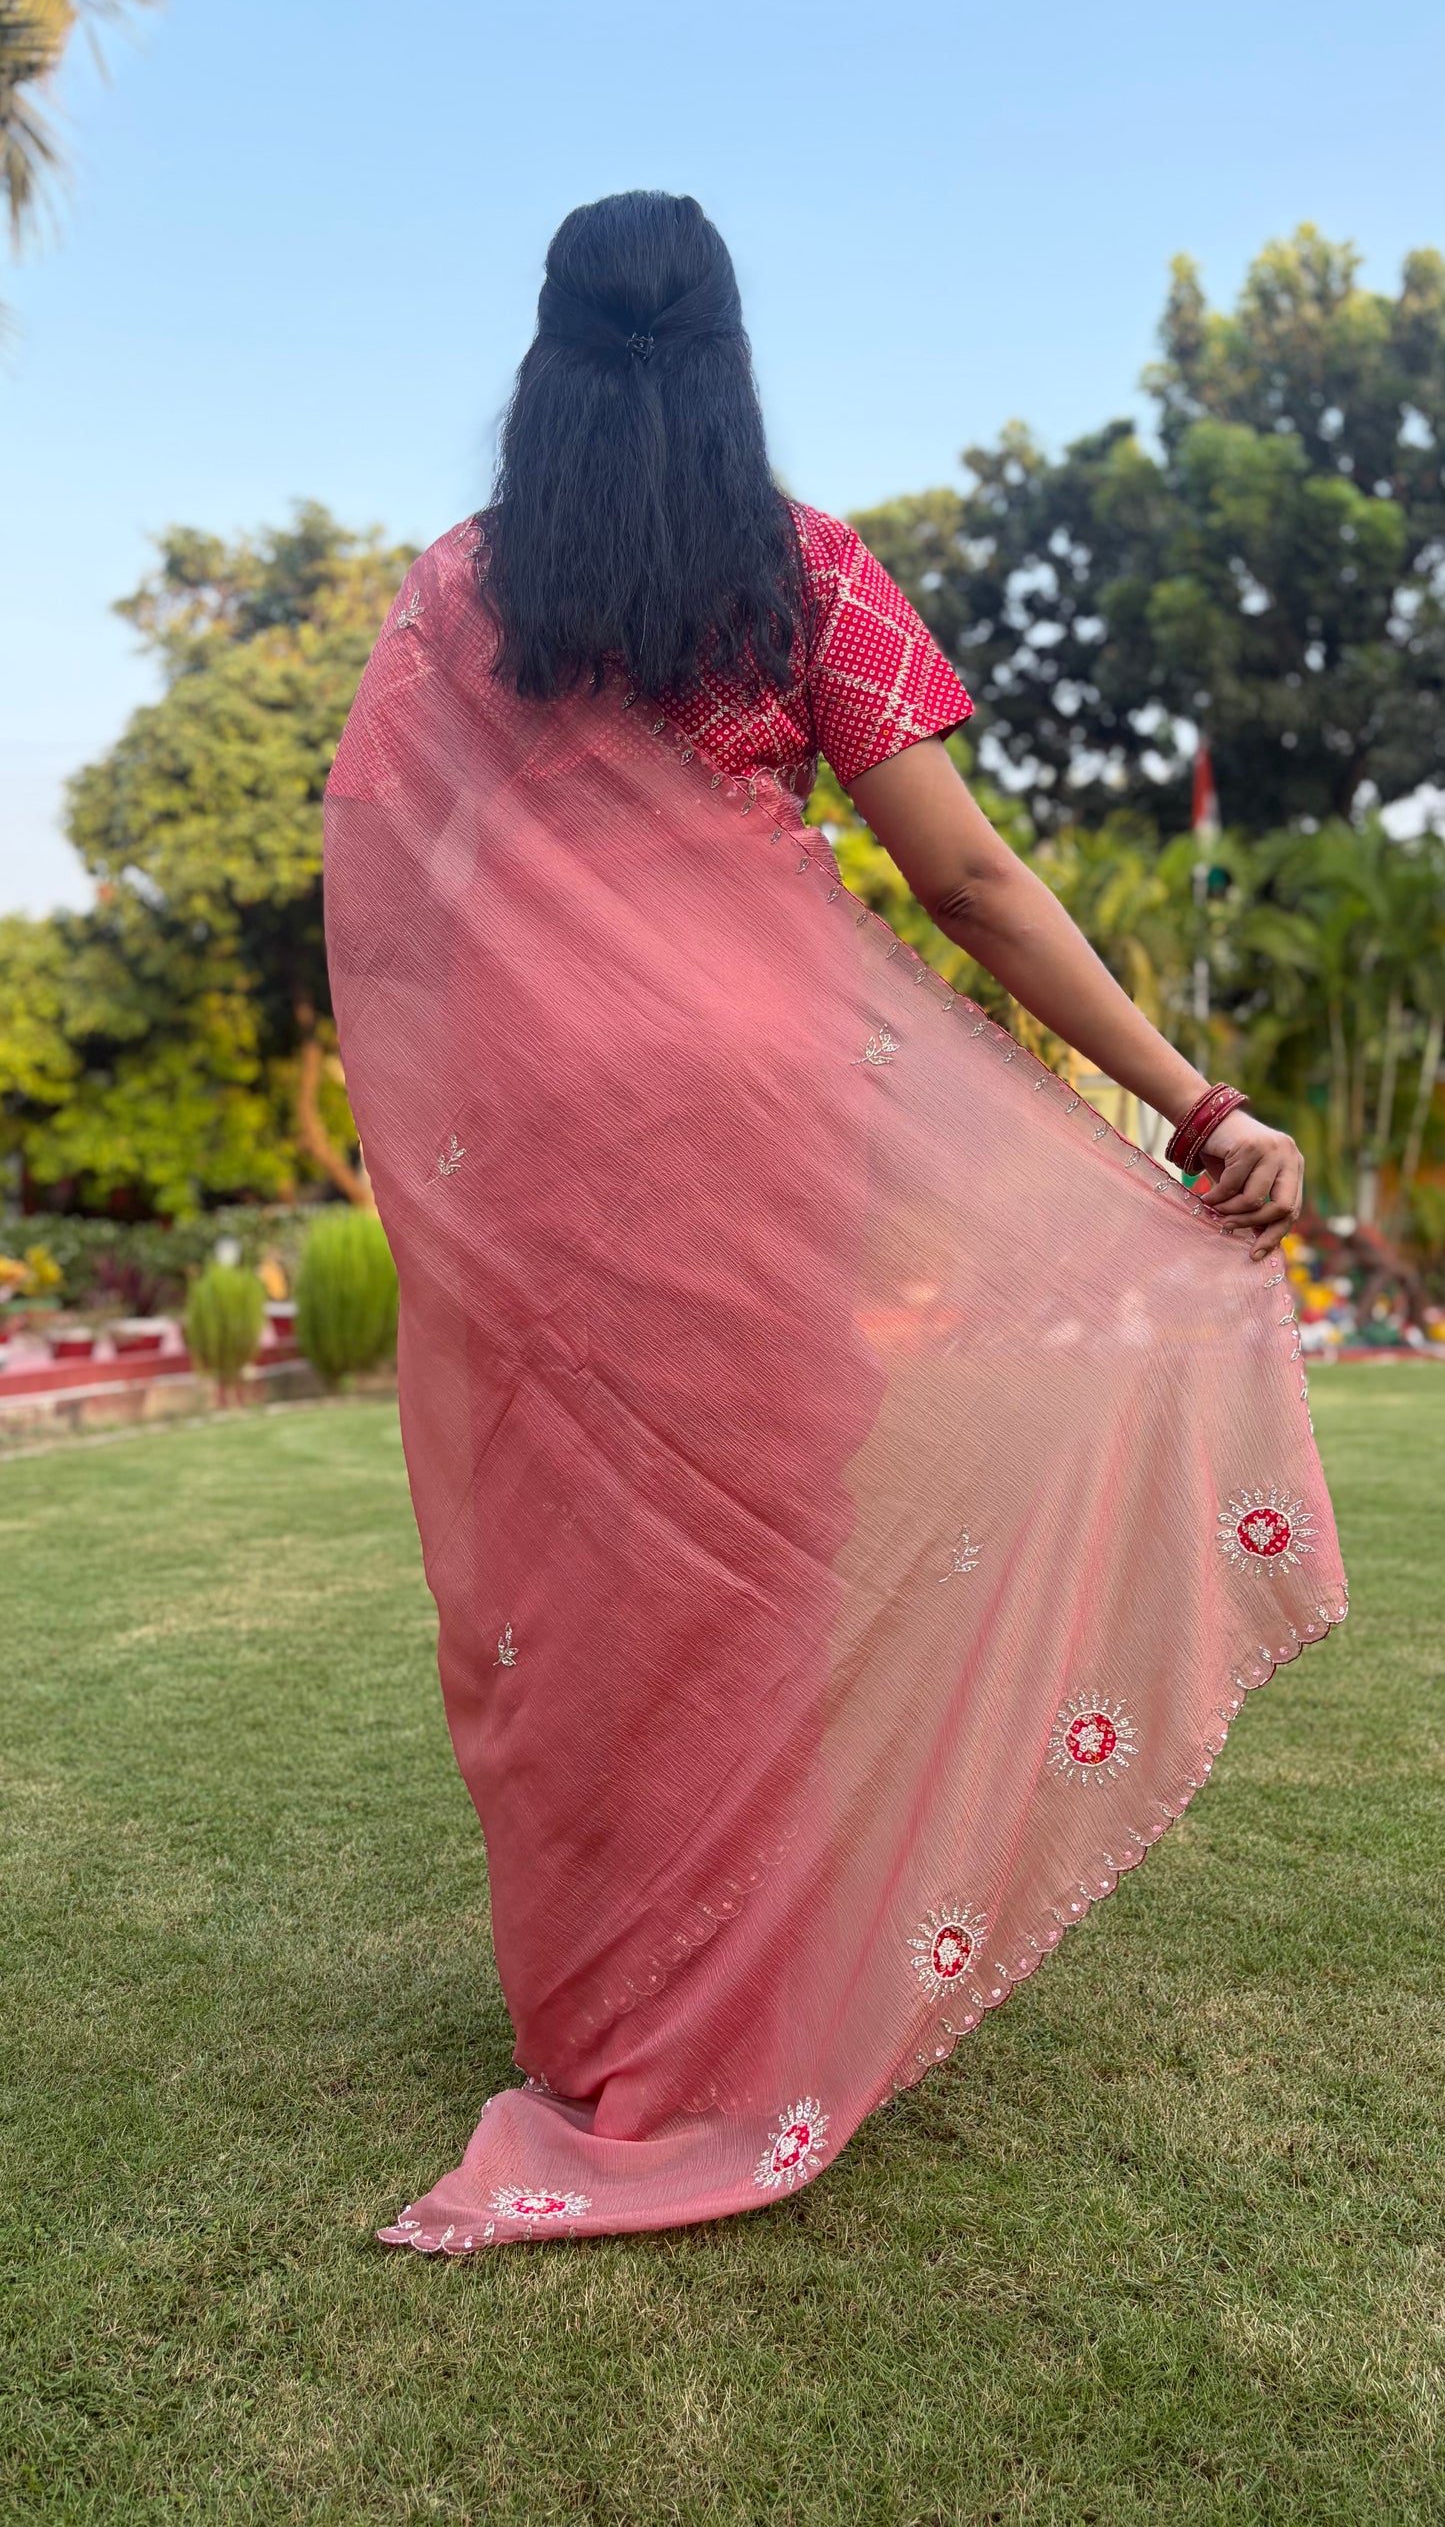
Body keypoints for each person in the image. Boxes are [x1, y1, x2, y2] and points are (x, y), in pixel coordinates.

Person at [324, 191, 1345, 2253]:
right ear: (723, 348)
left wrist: (469, 1132)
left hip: (541, 1163)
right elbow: (965, 882)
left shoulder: (455, 601)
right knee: (765, 1549)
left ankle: (613, 2024)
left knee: (579, 1584)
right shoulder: (795, 575)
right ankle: (750, 2002)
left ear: (543, 352)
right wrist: (1191, 1103)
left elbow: (401, 912)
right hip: (771, 1134)